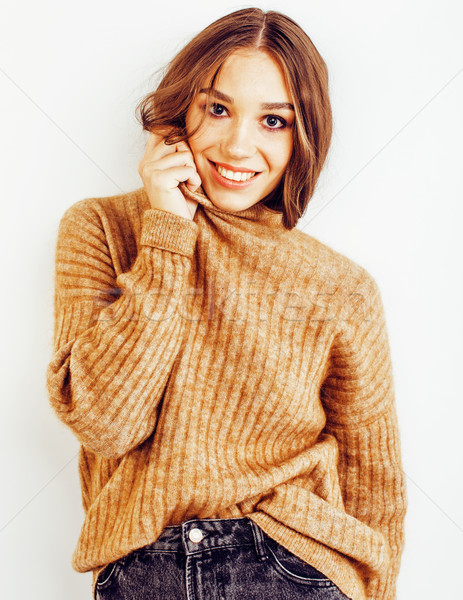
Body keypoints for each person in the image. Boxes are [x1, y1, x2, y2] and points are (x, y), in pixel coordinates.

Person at [46, 8, 407, 600]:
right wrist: (166, 229)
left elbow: (375, 491)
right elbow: (106, 422)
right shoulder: (102, 229)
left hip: (293, 565)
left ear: (303, 136)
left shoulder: (342, 288)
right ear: (179, 112)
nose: (239, 144)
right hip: (147, 570)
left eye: (273, 120)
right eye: (218, 109)